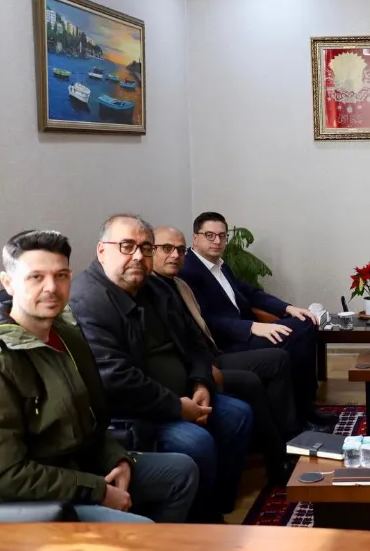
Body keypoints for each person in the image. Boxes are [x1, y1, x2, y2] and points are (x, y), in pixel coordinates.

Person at [0, 230, 198, 523]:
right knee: (142, 527)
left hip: (75, 467)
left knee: (182, 471)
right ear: (8, 283)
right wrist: (98, 490)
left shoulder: (68, 335)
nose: (51, 287)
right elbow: (3, 476)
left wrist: (118, 459)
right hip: (19, 500)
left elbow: (91, 423)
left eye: (61, 276)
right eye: (36, 277)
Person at [69, 215, 254, 523]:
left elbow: (194, 340)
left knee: (239, 415)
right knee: (196, 442)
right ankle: (201, 520)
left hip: (187, 392)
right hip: (136, 412)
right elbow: (116, 378)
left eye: (145, 248)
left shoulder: (155, 287)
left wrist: (201, 383)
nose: (138, 256)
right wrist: (178, 407)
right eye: (126, 246)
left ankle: (218, 504)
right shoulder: (88, 301)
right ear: (102, 251)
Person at [152, 225, 303, 485]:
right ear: (150, 251)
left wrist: (285, 309)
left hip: (208, 356)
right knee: (250, 380)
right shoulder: (154, 289)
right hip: (197, 366)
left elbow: (198, 331)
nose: (175, 255)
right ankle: (278, 458)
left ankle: (292, 438)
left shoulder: (179, 284)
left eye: (179, 250)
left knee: (280, 356)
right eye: (166, 248)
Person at [177, 212, 335, 428]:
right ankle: (302, 410)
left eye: (222, 236)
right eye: (210, 235)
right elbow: (206, 320)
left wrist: (288, 308)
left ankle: (305, 405)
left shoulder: (220, 266)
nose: (217, 241)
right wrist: (252, 327)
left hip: (244, 332)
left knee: (305, 323)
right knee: (297, 335)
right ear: (196, 238)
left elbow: (251, 293)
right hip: (227, 341)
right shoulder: (188, 271)